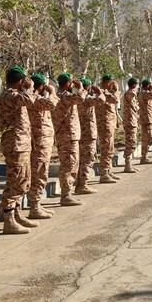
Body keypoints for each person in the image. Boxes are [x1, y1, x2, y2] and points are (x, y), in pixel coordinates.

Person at [0, 65, 41, 232]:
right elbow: (30, 101)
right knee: (16, 181)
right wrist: (29, 88)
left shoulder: (15, 94)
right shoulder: (10, 95)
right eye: (24, 79)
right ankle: (8, 219)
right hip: (15, 144)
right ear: (20, 81)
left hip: (21, 143)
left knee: (23, 180)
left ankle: (16, 214)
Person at [27, 73, 59, 219]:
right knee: (38, 172)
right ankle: (34, 206)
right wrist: (52, 92)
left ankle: (37, 204)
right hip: (38, 142)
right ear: (41, 86)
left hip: (43, 143)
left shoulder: (39, 99)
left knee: (41, 172)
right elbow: (52, 104)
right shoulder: (35, 99)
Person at [52, 73, 86, 206]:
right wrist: (81, 87)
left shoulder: (62, 95)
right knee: (68, 165)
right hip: (67, 135)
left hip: (68, 135)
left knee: (71, 164)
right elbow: (80, 98)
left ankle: (68, 193)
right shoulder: (63, 95)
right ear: (68, 84)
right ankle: (65, 195)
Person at [76, 77, 104, 195]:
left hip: (81, 132)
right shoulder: (87, 99)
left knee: (82, 158)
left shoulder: (77, 98)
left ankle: (80, 183)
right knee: (88, 158)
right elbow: (102, 100)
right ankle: (83, 184)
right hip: (88, 132)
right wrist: (99, 91)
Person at [96, 74, 120, 183]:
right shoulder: (102, 92)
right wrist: (116, 90)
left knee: (110, 148)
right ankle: (104, 173)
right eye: (111, 82)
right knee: (106, 149)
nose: (112, 85)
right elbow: (115, 100)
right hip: (105, 124)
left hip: (110, 123)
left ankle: (108, 170)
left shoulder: (107, 92)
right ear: (107, 82)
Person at [122, 77, 140, 172]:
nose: (138, 87)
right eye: (137, 85)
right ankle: (127, 164)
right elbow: (132, 93)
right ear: (134, 85)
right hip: (130, 122)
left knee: (132, 142)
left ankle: (129, 164)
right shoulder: (129, 93)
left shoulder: (133, 94)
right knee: (130, 142)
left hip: (133, 121)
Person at [138, 79, 152, 164]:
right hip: (147, 119)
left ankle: (144, 157)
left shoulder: (143, 93)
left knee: (146, 139)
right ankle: (144, 157)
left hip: (147, 118)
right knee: (148, 139)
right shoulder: (145, 93)